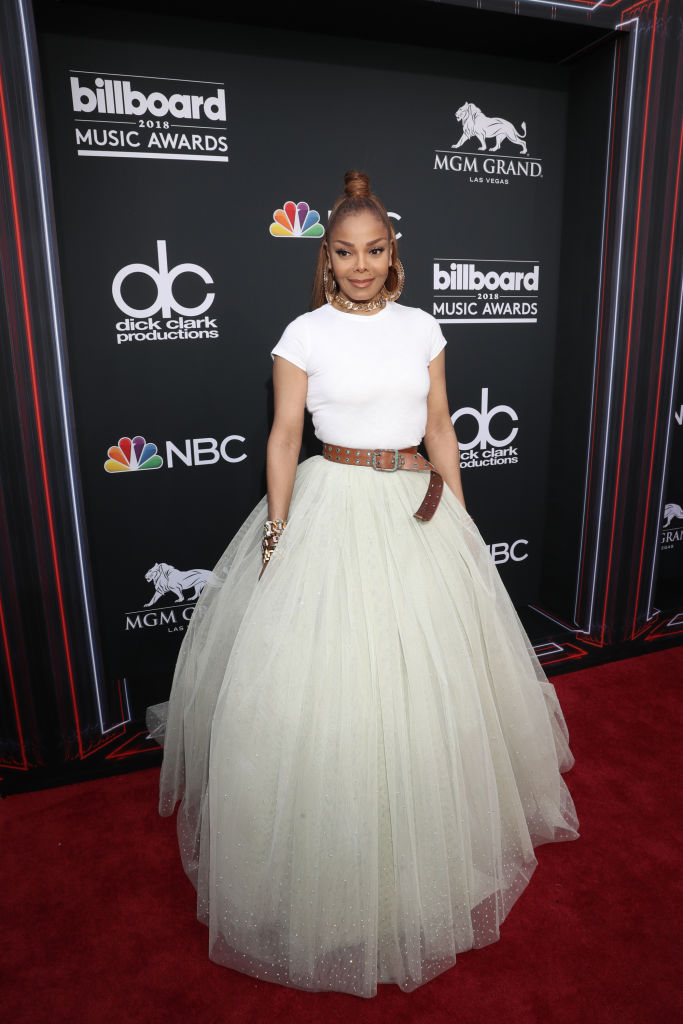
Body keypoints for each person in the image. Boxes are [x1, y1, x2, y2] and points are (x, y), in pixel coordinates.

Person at [148, 170, 579, 999]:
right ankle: (329, 863)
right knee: (336, 688)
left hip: (413, 508)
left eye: (374, 250)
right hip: (331, 506)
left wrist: (462, 523)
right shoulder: (302, 334)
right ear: (327, 259)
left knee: (425, 689)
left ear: (392, 254)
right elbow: (283, 438)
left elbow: (440, 426)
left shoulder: (422, 326)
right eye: (344, 252)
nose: (359, 265)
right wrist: (277, 529)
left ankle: (425, 849)